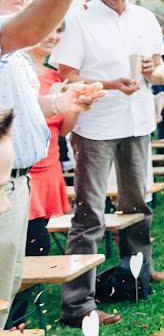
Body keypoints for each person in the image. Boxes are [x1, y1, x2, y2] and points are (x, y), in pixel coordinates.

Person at [49, 0, 164, 327]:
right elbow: (67, 76)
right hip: (95, 126)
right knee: (89, 214)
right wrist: (108, 85)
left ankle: (139, 273)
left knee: (138, 204)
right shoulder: (79, 19)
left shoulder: (142, 18)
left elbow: (158, 70)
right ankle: (78, 304)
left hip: (138, 122)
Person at [0, 0, 107, 329]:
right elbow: (31, 25)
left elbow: (23, 110)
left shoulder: (16, 54)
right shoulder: (12, 35)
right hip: (2, 188)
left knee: (7, 292)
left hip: (20, 185)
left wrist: (63, 103)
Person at [5, 22, 77, 328]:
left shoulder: (47, 74)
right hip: (14, 171)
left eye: (58, 30)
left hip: (44, 170)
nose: (52, 35)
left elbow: (61, 127)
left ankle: (20, 320)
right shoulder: (10, 65)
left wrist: (71, 100)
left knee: (33, 250)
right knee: (17, 254)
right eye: (48, 26)